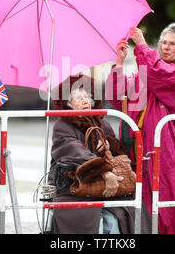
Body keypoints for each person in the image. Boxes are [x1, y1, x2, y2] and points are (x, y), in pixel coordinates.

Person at [106, 23, 175, 234]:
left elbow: (160, 74)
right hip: (135, 145)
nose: (166, 47)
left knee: (169, 199)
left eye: (172, 44)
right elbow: (116, 97)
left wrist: (141, 46)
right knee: (141, 199)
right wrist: (119, 63)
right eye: (163, 42)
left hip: (164, 147)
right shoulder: (145, 71)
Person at [48, 74, 139, 234]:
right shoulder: (62, 126)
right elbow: (75, 153)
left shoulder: (102, 123)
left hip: (104, 187)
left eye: (87, 97)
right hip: (74, 186)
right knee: (87, 219)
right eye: (78, 98)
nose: (85, 101)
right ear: (68, 105)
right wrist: (103, 170)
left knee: (126, 214)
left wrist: (108, 145)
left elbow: (119, 153)